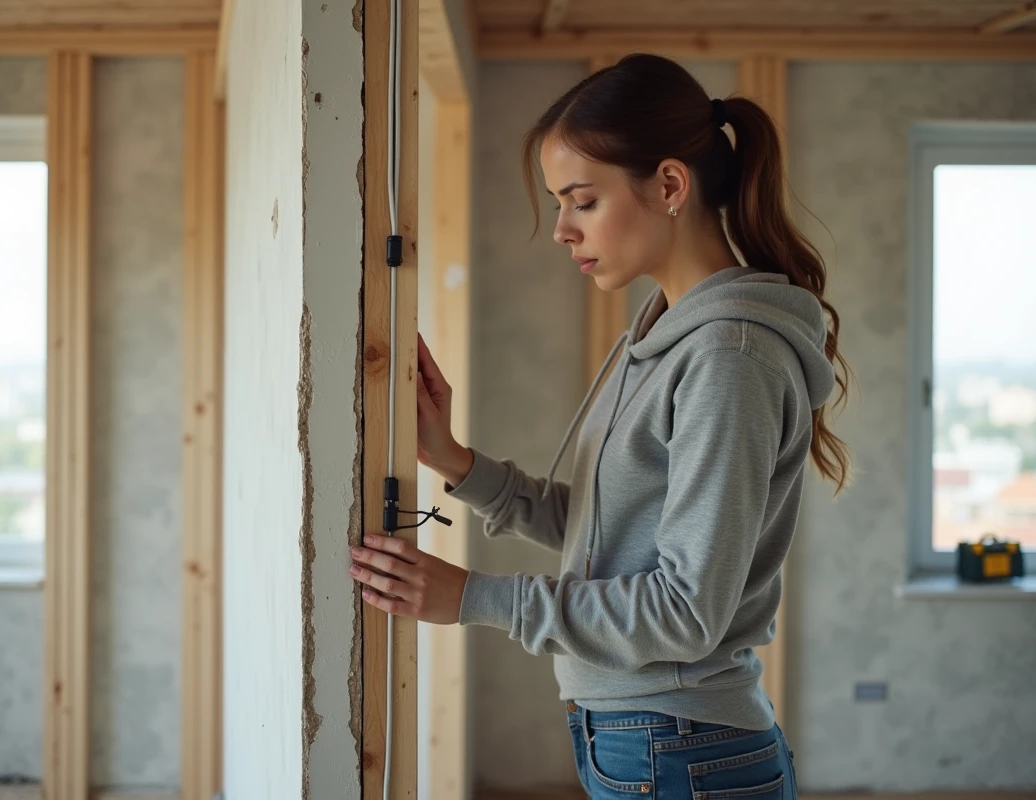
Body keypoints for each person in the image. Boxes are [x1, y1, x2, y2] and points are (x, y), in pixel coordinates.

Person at [348, 53, 851, 799]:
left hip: (680, 747)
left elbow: (685, 613)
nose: (561, 230)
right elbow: (606, 529)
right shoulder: (663, 335)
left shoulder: (728, 358)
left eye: (581, 201)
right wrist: (456, 462)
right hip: (645, 741)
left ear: (670, 186)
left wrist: (476, 598)